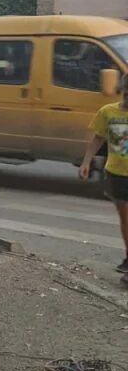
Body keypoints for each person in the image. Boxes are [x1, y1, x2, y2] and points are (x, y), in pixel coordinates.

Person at [79, 73, 128, 274]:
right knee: (125, 218)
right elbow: (98, 138)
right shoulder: (108, 112)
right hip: (116, 173)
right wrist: (86, 161)